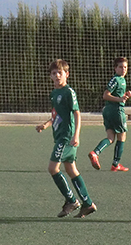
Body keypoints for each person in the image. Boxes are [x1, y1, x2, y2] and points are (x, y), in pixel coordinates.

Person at [35, 59, 97, 218]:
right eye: (54, 73)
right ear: (50, 76)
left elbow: (76, 113)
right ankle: (88, 203)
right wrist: (46, 125)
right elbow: (56, 115)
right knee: (71, 169)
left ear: (67, 75)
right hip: (60, 137)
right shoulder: (54, 93)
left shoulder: (69, 92)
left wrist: (76, 134)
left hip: (66, 137)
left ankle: (71, 200)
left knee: (52, 168)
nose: (57, 76)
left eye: (60, 73)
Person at [89, 57, 131, 172]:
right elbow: (106, 95)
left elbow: (119, 96)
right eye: (120, 67)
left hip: (107, 110)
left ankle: (95, 153)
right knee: (122, 136)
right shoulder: (116, 79)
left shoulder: (121, 80)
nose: (123, 69)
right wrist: (119, 99)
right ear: (115, 68)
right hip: (116, 111)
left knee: (110, 138)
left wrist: (125, 95)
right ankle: (115, 164)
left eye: (125, 67)